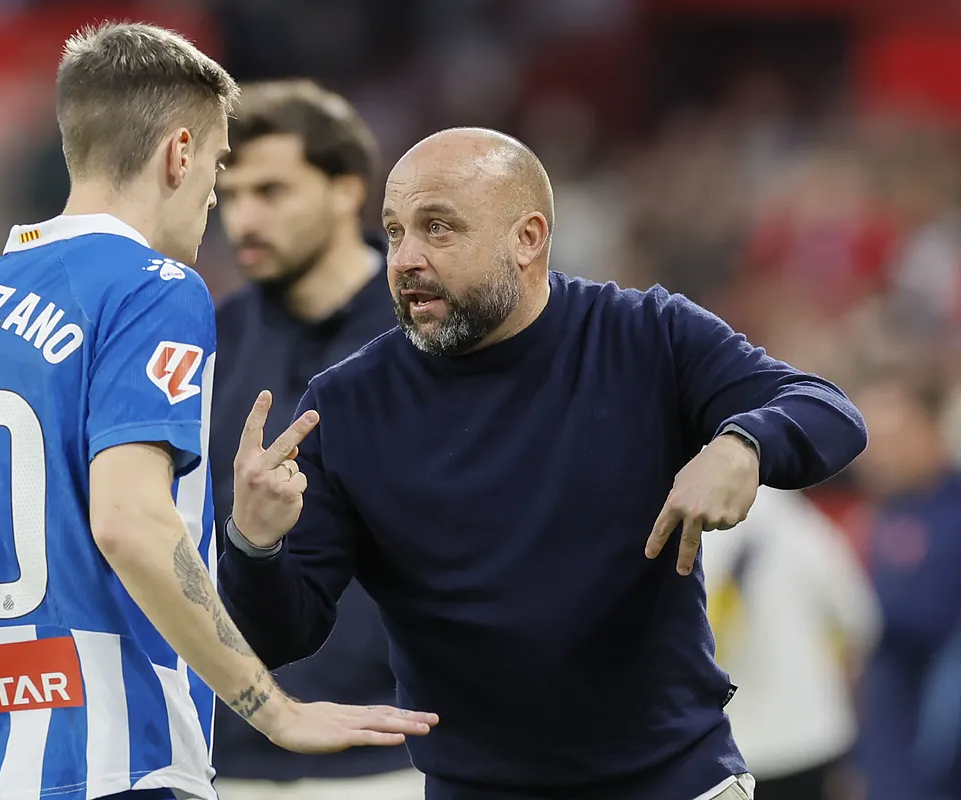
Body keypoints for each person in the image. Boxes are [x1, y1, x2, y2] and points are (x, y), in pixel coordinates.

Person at [218, 127, 868, 800]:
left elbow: (827, 411)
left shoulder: (644, 335)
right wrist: (256, 542)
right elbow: (280, 634)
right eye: (394, 231)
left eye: (437, 228)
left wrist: (745, 445)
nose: (405, 258)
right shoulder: (346, 403)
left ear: (528, 238)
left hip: (676, 779)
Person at [0, 22, 435, 800]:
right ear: (178, 153)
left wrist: (15, 692)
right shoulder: (153, 288)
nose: (215, 200)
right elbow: (130, 521)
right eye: (215, 167)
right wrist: (275, 710)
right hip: (119, 770)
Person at [210, 80, 421, 799]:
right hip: (230, 758)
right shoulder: (209, 342)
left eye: (272, 191)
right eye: (231, 194)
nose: (244, 218)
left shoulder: (436, 339)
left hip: (397, 754)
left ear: (345, 190)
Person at [702, 486, 880, 800]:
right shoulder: (802, 523)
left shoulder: (686, 523)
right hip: (811, 736)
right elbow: (861, 620)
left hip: (726, 747)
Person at [852, 363, 961, 800]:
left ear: (930, 429)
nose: (876, 456)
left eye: (891, 438)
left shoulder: (948, 517)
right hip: (887, 749)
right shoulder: (884, 514)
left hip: (935, 752)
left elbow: (913, 615)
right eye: (870, 442)